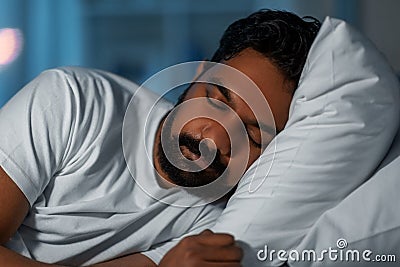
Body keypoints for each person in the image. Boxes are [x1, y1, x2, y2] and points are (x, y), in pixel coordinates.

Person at [0, 9, 320, 267]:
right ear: (197, 75)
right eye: (217, 99)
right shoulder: (73, 100)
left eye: (251, 135)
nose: (215, 138)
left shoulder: (218, 226)